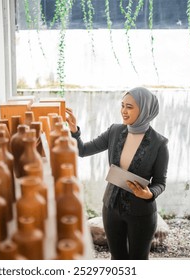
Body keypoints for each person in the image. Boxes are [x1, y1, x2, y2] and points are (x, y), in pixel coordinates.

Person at [66, 87, 169, 260]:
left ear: (144, 109)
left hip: (141, 213)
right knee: (117, 259)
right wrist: (74, 130)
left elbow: (160, 182)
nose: (123, 111)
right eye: (122, 105)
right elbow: (82, 150)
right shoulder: (114, 131)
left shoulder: (159, 144)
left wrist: (149, 193)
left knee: (138, 261)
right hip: (111, 209)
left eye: (129, 107)